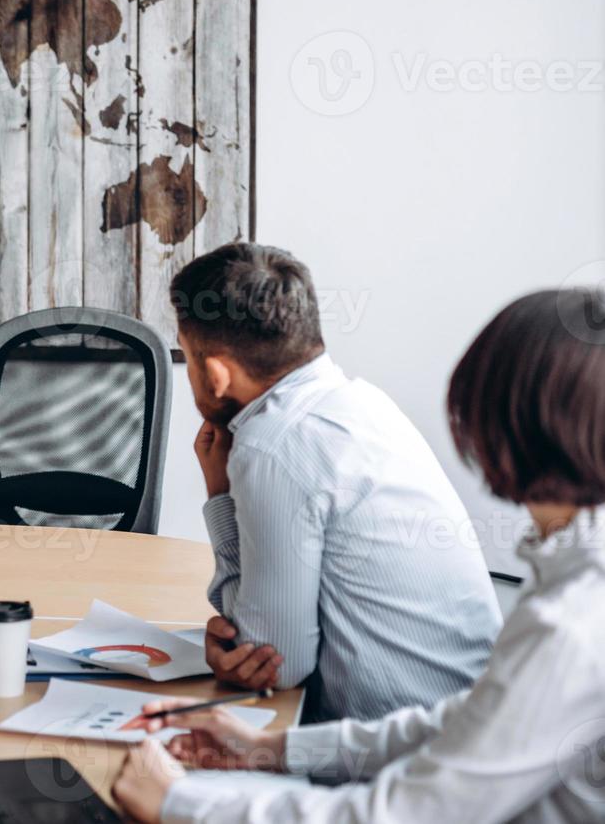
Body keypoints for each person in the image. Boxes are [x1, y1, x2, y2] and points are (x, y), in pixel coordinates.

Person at [112, 287, 605, 823]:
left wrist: (180, 803)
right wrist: (272, 749)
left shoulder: (573, 621)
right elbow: (460, 721)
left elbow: (406, 815)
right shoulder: (574, 568)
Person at [167, 243, 499, 722]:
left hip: (398, 758)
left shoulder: (272, 446)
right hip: (469, 721)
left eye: (189, 357)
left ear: (216, 374)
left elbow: (274, 662)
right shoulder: (363, 403)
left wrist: (219, 494)